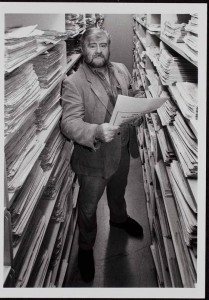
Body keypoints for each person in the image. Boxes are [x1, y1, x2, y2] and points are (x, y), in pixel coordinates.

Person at [60, 27, 143, 282]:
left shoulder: (121, 69)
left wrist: (140, 104)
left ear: (109, 46)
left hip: (122, 149)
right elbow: (69, 123)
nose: (98, 51)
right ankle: (86, 248)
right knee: (88, 208)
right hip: (94, 158)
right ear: (83, 48)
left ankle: (118, 219)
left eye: (103, 45)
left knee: (118, 191)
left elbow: (134, 90)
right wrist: (95, 130)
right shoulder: (73, 82)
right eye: (92, 46)